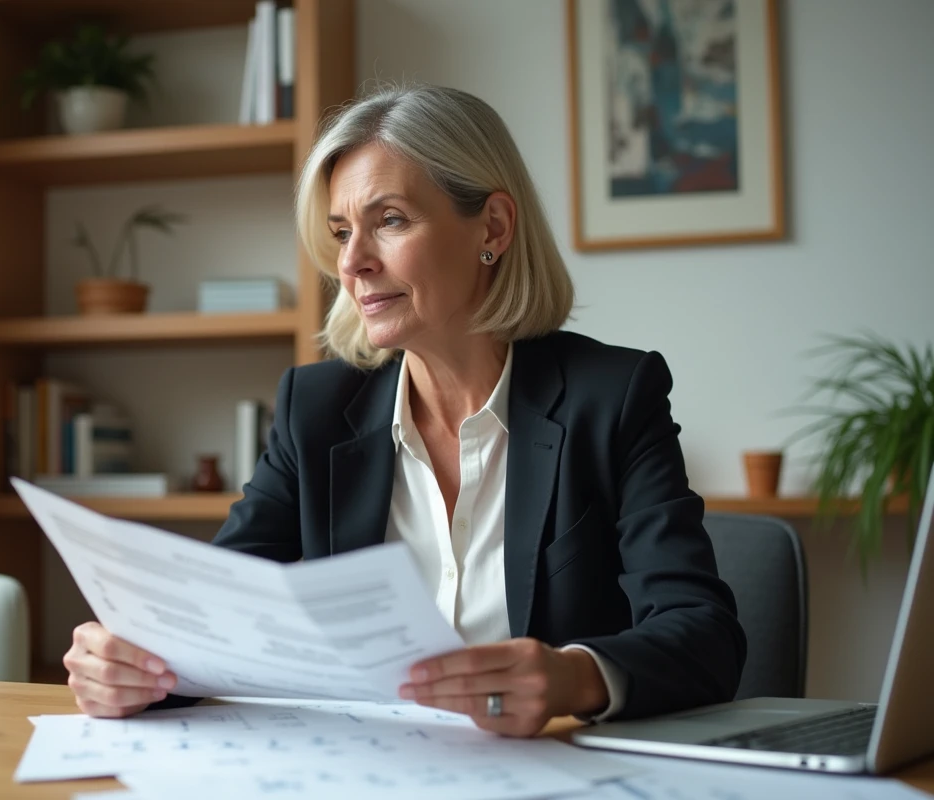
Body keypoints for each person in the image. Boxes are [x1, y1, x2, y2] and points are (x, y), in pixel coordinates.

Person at [64, 84, 746, 738]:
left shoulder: (613, 396)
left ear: (495, 227)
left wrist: (573, 677)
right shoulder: (317, 409)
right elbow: (217, 622)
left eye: (389, 220)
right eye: (339, 232)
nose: (352, 262)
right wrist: (133, 667)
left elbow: (703, 632)